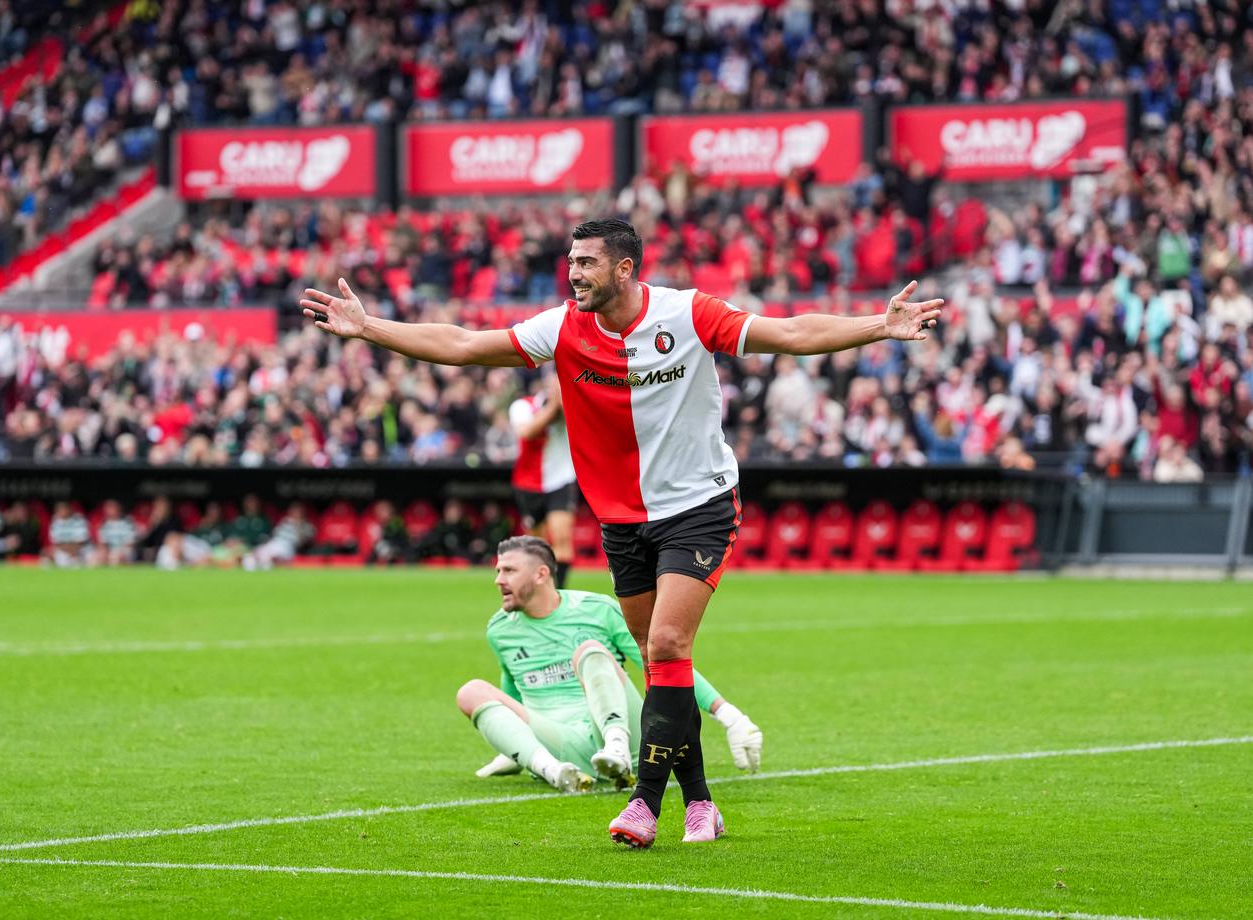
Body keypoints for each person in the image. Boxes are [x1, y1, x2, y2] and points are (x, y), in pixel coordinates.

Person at [301, 217, 942, 847]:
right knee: (663, 664)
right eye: (571, 261)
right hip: (622, 519)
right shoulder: (562, 327)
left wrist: (878, 327)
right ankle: (700, 803)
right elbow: (465, 345)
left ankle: (644, 802)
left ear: (624, 269)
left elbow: (792, 331)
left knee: (664, 642)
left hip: (698, 504)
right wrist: (369, 328)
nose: (573, 273)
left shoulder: (689, 314)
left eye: (586, 262)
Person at [457, 536, 763, 795]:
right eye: (498, 570)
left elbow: (668, 663)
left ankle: (617, 748)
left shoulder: (597, 611)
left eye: (508, 570)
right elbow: (513, 690)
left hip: (616, 731)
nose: (498, 579)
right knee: (471, 691)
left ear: (540, 575)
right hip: (559, 743)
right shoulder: (500, 628)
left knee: (589, 650)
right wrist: (511, 746)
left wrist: (729, 716)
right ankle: (552, 772)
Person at [509, 372, 579, 586]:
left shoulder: (571, 407)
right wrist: (554, 406)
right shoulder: (522, 406)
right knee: (536, 544)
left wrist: (564, 403)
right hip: (528, 484)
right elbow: (528, 432)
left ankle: (560, 594)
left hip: (561, 480)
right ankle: (540, 590)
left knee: (562, 539)